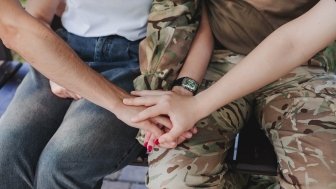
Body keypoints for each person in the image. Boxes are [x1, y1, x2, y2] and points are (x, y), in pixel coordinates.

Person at [124, 0, 336, 188]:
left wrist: (195, 106)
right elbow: (201, 18)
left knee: (325, 181)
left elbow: (293, 43)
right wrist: (184, 90)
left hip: (303, 65)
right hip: (216, 63)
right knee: (174, 180)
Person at [0, 0, 200, 188]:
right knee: (5, 155)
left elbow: (201, 16)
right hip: (60, 48)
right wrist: (53, 70)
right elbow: (31, 19)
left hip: (136, 60)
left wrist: (184, 88)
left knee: (62, 163)